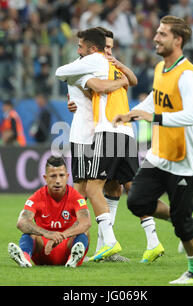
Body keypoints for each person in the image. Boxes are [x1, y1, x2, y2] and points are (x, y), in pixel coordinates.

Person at [113, 16, 193, 284]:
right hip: (161, 153)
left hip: (187, 159)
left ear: (177, 40)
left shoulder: (188, 74)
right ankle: (187, 223)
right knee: (136, 201)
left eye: (162, 34)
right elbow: (156, 103)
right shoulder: (160, 69)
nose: (156, 37)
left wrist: (154, 118)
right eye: (156, 32)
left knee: (182, 222)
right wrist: (133, 114)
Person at [55, 27, 134, 262]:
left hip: (101, 134)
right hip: (84, 136)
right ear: (95, 48)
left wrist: (121, 78)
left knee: (112, 188)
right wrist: (119, 82)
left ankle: (104, 247)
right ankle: (74, 245)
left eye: (111, 48)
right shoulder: (81, 66)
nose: (108, 52)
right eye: (105, 47)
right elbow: (94, 90)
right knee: (82, 193)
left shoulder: (106, 65)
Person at [8, 156, 91, 267]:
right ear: (45, 178)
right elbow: (21, 222)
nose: (57, 181)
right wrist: (48, 234)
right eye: (53, 176)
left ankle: (73, 258)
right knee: (29, 232)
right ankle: (24, 257)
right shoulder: (37, 197)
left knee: (84, 231)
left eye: (61, 175)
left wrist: (60, 236)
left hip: (68, 247)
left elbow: (86, 223)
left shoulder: (76, 197)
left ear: (67, 177)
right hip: (43, 250)